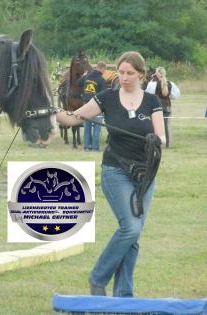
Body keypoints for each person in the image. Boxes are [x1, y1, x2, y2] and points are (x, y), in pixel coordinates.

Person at [57, 51, 165, 297]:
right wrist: (48, 113)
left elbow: (162, 137)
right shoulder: (106, 97)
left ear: (140, 74)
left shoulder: (152, 102)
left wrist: (155, 140)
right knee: (130, 228)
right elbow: (74, 119)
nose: (125, 78)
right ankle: (98, 278)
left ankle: (124, 295)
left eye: (130, 73)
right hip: (115, 170)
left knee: (133, 234)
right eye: (122, 72)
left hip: (145, 175)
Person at [145, 66, 180, 148]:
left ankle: (156, 144)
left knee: (155, 125)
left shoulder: (152, 84)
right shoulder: (171, 84)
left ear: (156, 74)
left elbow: (147, 94)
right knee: (167, 126)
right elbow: (176, 95)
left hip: (156, 108)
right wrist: (168, 96)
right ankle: (168, 145)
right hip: (167, 107)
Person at [78, 62, 108, 151]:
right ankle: (95, 147)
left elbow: (78, 83)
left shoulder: (87, 76)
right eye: (105, 70)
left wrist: (83, 75)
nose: (104, 72)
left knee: (87, 127)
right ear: (102, 68)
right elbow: (104, 95)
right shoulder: (101, 80)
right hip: (96, 107)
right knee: (97, 127)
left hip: (86, 105)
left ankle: (87, 146)